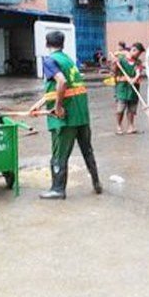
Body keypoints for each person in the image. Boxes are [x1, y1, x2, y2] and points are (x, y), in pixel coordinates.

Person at [28, 31, 102, 200]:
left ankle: (58, 189)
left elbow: (62, 82)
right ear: (63, 44)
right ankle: (96, 183)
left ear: (47, 44)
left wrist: (58, 107)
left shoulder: (49, 60)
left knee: (59, 154)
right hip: (81, 115)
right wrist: (38, 104)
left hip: (65, 117)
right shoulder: (69, 60)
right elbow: (64, 88)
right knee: (87, 150)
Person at [111, 43, 145, 135]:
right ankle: (118, 126)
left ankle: (131, 126)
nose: (138, 56)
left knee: (132, 109)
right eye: (138, 53)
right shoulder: (121, 60)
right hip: (122, 88)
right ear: (133, 50)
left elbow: (138, 72)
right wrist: (114, 64)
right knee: (120, 109)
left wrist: (134, 79)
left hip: (133, 89)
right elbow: (114, 71)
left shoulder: (138, 62)